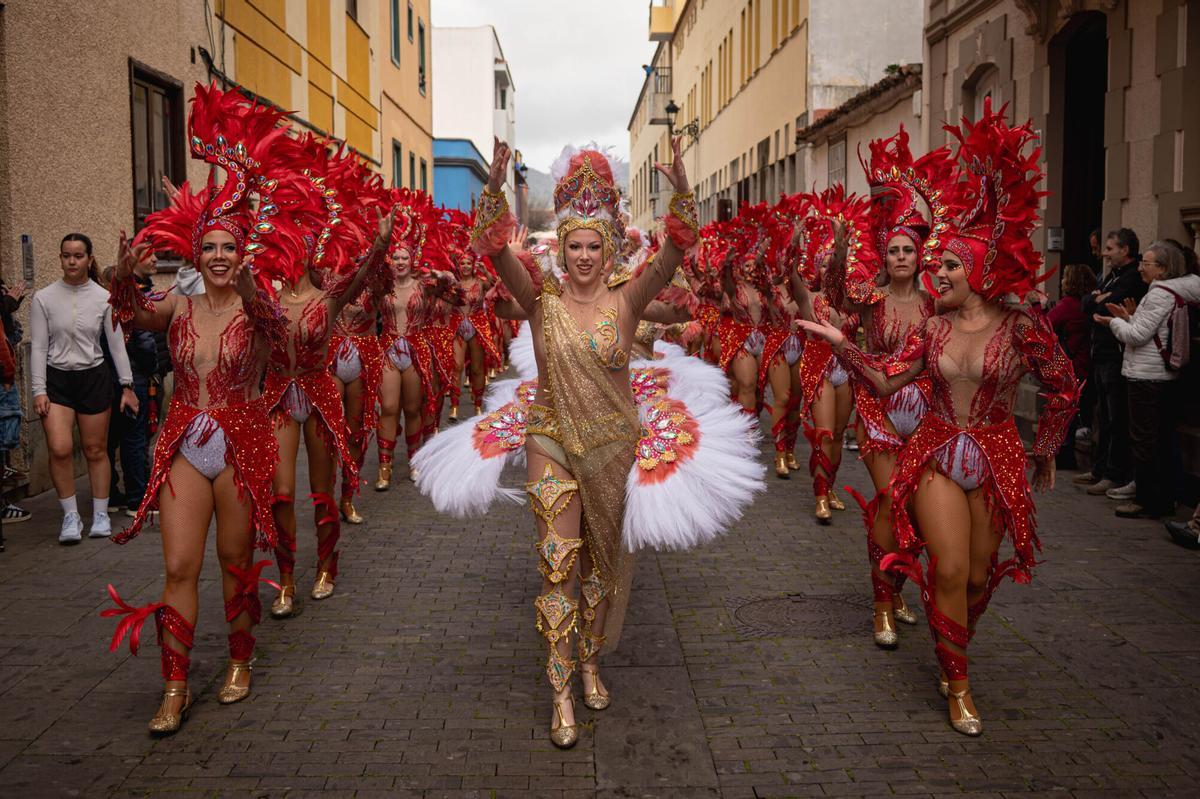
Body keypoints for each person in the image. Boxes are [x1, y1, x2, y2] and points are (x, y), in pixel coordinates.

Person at [799, 102, 1078, 736]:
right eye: (935, 262)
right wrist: (842, 345)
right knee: (949, 568)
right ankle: (957, 680)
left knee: (979, 576)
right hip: (932, 450)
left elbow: (1064, 388)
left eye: (949, 265)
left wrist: (1048, 448)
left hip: (998, 454)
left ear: (980, 272)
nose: (936, 270)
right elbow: (887, 377)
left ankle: (953, 638)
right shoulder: (931, 328)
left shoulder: (1023, 328)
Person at [470, 136, 698, 748]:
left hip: (614, 447)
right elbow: (492, 250)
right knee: (557, 566)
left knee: (601, 573)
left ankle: (591, 661)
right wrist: (493, 186)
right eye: (574, 244)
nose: (584, 256)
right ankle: (561, 693)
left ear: (611, 246)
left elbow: (676, 251)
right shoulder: (537, 300)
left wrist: (681, 186)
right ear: (560, 247)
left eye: (595, 245)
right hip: (551, 441)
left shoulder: (631, 300)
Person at [102, 84, 300, 735]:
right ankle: (176, 683)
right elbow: (128, 314)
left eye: (229, 248)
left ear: (244, 253)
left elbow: (278, 337)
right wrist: (123, 275)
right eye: (209, 247)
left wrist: (254, 291)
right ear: (195, 253)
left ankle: (240, 659)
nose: (219, 256)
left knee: (236, 563)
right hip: (186, 437)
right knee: (179, 565)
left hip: (242, 441)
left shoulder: (257, 307)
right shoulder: (178, 307)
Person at [822, 127, 950, 647]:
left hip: (924, 412)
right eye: (892, 250)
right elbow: (833, 294)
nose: (900, 257)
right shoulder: (868, 299)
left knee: (919, 511)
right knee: (890, 497)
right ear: (884, 255)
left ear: (920, 256)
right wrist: (840, 248)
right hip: (876, 407)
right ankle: (881, 606)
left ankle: (897, 586)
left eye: (907, 250)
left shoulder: (937, 304)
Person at [264, 136, 395, 617]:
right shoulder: (265, 300)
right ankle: (283, 581)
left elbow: (362, 278)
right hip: (280, 394)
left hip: (319, 392)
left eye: (300, 239)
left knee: (321, 488)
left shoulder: (329, 297)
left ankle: (325, 566)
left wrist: (379, 244)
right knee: (280, 493)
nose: (291, 248)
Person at [31, 233, 138, 544]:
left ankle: (101, 513)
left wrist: (127, 385)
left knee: (95, 450)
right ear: (61, 258)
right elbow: (38, 347)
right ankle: (70, 516)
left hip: (94, 377)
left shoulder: (103, 297)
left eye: (78, 255)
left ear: (89, 259)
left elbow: (116, 345)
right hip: (57, 379)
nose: (72, 261)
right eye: (67, 256)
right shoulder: (44, 298)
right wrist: (39, 390)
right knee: (60, 448)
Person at [1094, 240, 1200, 518]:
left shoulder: (1159, 294)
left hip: (1146, 376)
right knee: (1160, 438)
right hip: (1160, 375)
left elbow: (1138, 336)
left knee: (1145, 441)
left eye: (1147, 263)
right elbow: (1150, 332)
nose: (1141, 268)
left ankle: (1148, 500)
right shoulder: (1168, 292)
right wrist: (1129, 318)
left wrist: (1114, 323)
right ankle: (1162, 498)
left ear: (1163, 269)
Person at [1075, 228, 1146, 498]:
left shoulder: (1132, 277)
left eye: (1109, 248)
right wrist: (1097, 298)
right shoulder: (1110, 277)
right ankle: (1100, 467)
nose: (1104, 254)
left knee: (1117, 418)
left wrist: (1100, 300)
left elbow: (1106, 308)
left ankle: (1114, 473)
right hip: (1100, 353)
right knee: (1103, 416)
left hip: (1116, 355)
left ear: (1125, 250)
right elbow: (1087, 305)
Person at [100, 260, 158, 519]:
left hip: (103, 382)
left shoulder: (99, 307)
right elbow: (145, 345)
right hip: (134, 380)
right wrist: (152, 370)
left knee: (108, 442)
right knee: (134, 439)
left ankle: (111, 496)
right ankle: (137, 499)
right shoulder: (129, 309)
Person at [1047, 264, 1096, 469]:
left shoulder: (1068, 305)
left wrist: (1038, 307)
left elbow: (1044, 325)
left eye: (1066, 278)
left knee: (1063, 411)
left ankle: (1064, 454)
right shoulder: (1088, 304)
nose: (1062, 281)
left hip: (1069, 365)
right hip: (1085, 363)